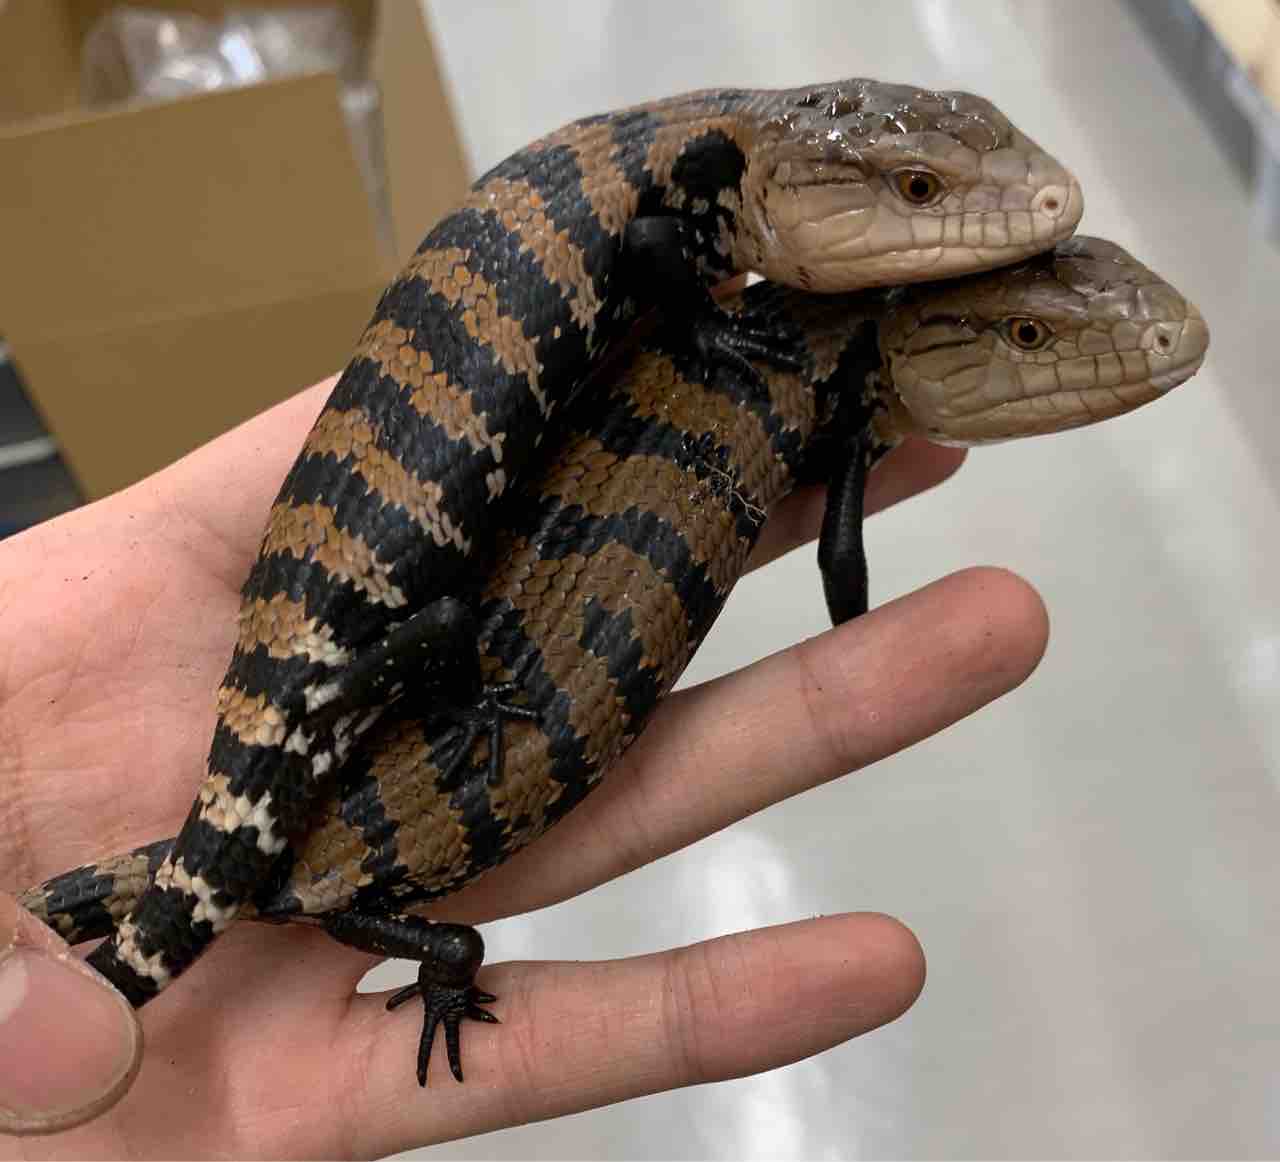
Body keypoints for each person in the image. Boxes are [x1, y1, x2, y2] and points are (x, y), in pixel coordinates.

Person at [0, 373, 1047, 1152]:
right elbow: (449, 944)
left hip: (411, 783)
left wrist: (444, 992)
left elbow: (455, 948)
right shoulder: (322, 868)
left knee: (123, 888)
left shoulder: (344, 910)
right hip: (408, 779)